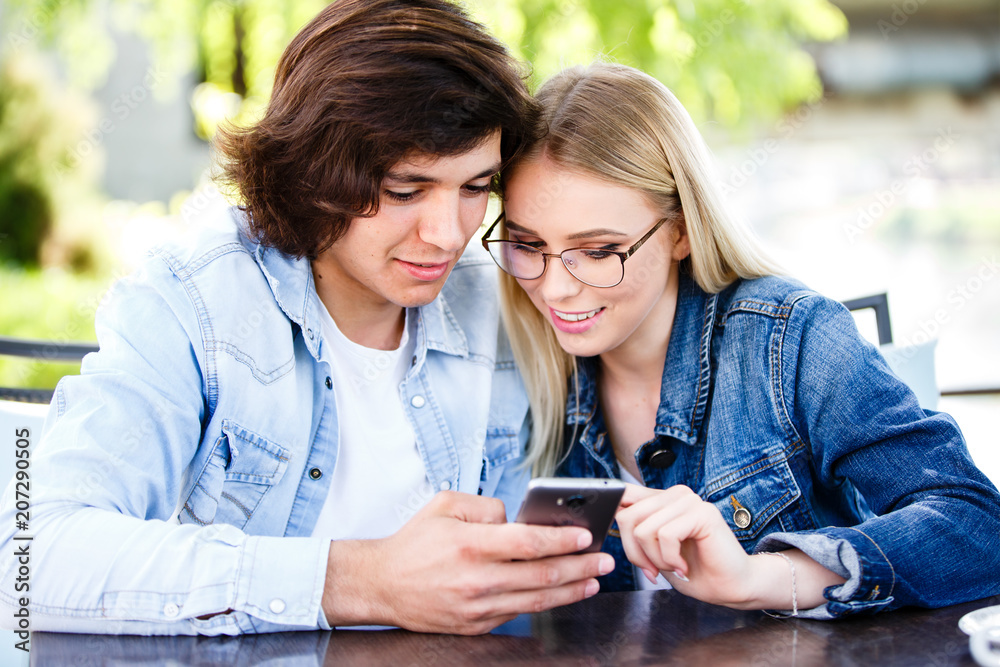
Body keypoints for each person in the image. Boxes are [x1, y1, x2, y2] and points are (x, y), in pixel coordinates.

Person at [0, 0, 613, 636]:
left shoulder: (496, 301)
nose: (448, 233)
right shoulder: (194, 303)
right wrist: (366, 581)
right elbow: (34, 556)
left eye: (475, 188)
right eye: (405, 191)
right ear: (314, 171)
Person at [486, 62, 1000, 618]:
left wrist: (761, 578)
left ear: (681, 230)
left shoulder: (792, 340)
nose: (556, 289)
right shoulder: (530, 370)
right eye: (528, 244)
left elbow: (976, 523)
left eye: (598, 251)